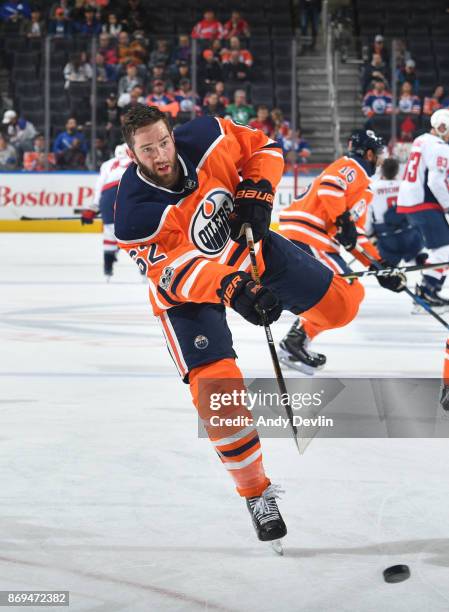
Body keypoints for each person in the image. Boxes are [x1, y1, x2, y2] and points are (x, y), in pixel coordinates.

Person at [112, 105, 377, 543]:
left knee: (340, 308)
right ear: (131, 153)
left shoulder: (209, 135)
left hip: (250, 246)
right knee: (217, 393)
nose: (159, 154)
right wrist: (232, 288)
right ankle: (256, 491)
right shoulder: (135, 213)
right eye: (147, 149)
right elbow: (176, 274)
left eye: (163, 142)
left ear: (172, 135)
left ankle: (302, 318)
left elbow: (265, 148)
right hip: (190, 297)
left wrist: (257, 191)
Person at [277, 129, 406, 372]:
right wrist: (342, 219)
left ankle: (296, 340)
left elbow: (355, 235)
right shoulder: (351, 166)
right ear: (368, 153)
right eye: (377, 154)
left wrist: (380, 266)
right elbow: (329, 187)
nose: (379, 159)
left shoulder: (366, 188)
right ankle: (296, 338)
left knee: (352, 293)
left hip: (318, 240)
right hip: (308, 236)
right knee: (346, 293)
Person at [397, 109, 449, 309]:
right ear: (442, 126)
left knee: (443, 248)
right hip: (423, 202)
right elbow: (436, 181)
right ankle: (427, 290)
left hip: (412, 200)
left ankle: (428, 289)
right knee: (444, 249)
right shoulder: (439, 146)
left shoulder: (422, 140)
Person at [81, 143, 131, 277]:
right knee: (136, 229)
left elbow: (99, 187)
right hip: (126, 194)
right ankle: (145, 267)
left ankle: (108, 266)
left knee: (110, 232)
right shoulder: (137, 161)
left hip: (107, 197)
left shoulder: (107, 165)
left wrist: (93, 207)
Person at [366, 157, 425, 266]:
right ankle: (418, 258)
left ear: (381, 171)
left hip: (386, 238)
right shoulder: (405, 185)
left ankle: (396, 281)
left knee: (388, 270)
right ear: (397, 171)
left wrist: (369, 234)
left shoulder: (372, 189)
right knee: (416, 249)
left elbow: (367, 218)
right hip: (409, 233)